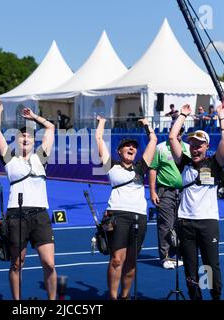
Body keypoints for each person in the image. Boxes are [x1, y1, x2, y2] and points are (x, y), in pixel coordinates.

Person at [0, 100, 57, 300]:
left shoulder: (41, 156)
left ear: (34, 140)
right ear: (16, 140)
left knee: (49, 264)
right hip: (16, 215)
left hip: (40, 214)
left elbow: (51, 127)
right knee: (17, 263)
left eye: (29, 135)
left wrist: (34, 117)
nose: (26, 138)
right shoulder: (10, 158)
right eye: (22, 136)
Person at [168, 103, 224, 300]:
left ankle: (215, 297)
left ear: (206, 146)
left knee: (210, 267)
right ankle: (196, 298)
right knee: (190, 269)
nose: (195, 148)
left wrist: (221, 115)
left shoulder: (215, 164)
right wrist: (183, 115)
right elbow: (172, 138)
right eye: (192, 145)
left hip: (208, 222)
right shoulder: (184, 163)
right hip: (185, 222)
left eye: (199, 145)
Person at [95, 115, 157, 300]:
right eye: (127, 146)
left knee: (131, 262)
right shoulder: (111, 166)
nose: (132, 148)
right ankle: (113, 297)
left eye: (134, 147)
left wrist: (147, 125)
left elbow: (153, 140)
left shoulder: (140, 168)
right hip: (118, 216)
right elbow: (99, 139)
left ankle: (125, 296)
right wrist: (102, 123)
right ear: (119, 151)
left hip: (139, 217)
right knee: (116, 260)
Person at [149, 120, 189, 269]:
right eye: (175, 130)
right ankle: (165, 257)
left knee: (181, 225)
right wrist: (152, 191)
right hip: (165, 191)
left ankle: (176, 254)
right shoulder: (160, 148)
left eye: (180, 131)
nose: (178, 133)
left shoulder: (188, 148)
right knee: (166, 224)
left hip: (185, 194)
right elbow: (152, 169)